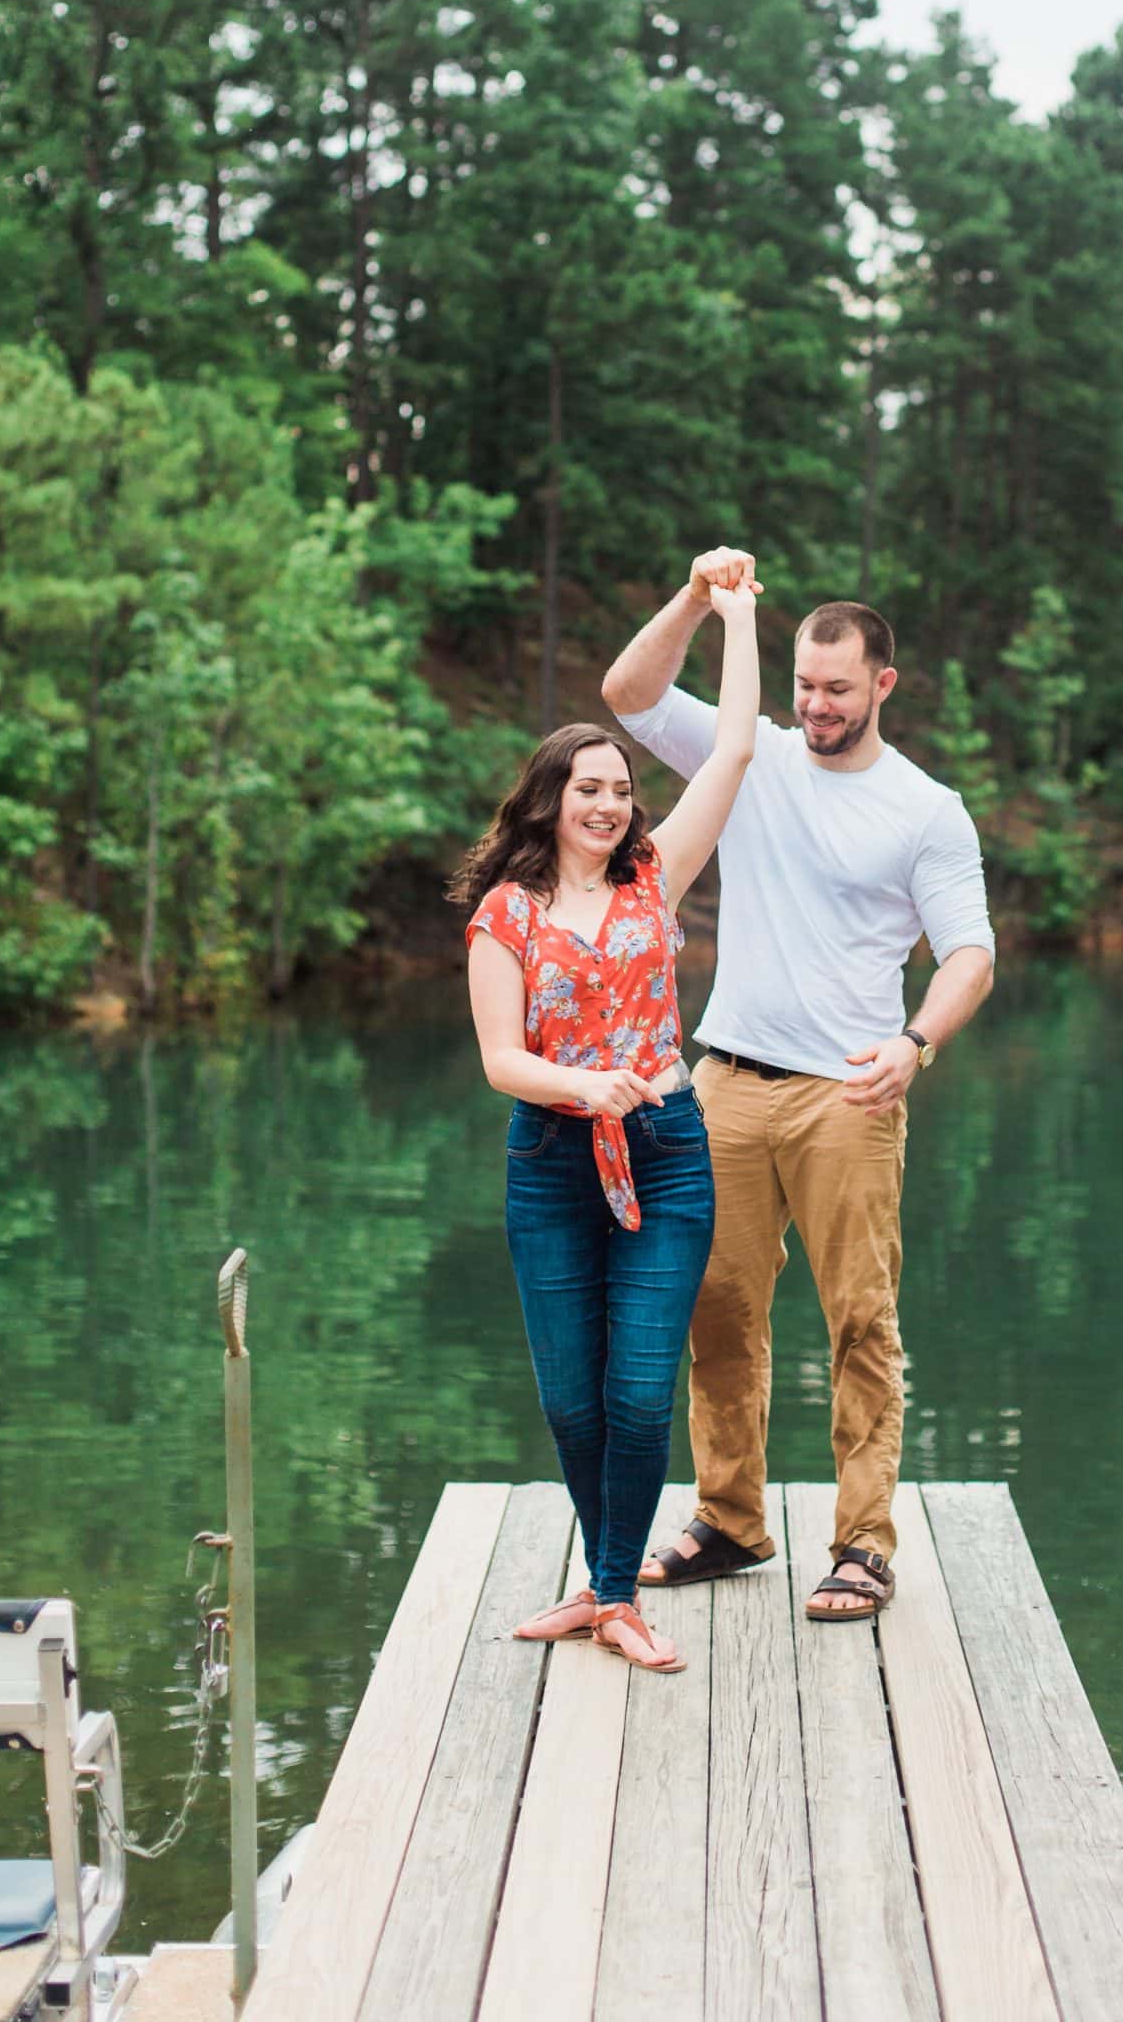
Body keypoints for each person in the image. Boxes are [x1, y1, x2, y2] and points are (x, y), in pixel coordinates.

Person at [601, 547, 995, 1621]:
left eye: (836, 689)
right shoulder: (751, 754)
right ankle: (729, 1520)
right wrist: (692, 596)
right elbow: (628, 695)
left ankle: (863, 1544)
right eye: (805, 687)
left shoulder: (925, 810)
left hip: (850, 1095)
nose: (815, 707)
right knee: (716, 1311)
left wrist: (915, 1044)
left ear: (882, 686)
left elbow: (970, 953)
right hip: (723, 1079)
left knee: (859, 1319)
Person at [454, 578, 760, 1672]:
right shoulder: (507, 913)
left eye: (622, 789)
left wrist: (728, 613)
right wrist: (583, 1090)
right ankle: (607, 1585)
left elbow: (729, 753)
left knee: (638, 1388)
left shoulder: (653, 882)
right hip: (551, 1160)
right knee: (573, 1398)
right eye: (589, 788)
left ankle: (615, 1593)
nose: (610, 804)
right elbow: (502, 1060)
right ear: (548, 798)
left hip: (667, 1154)